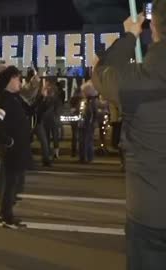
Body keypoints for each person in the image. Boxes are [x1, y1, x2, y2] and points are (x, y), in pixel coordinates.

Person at [92, 3, 166, 268]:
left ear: (153, 28)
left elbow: (100, 72)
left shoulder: (136, 82)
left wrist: (129, 36)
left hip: (150, 210)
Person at [0, 66, 30, 229]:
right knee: (10, 183)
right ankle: (6, 216)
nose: (19, 81)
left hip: (18, 148)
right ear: (9, 81)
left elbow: (31, 111)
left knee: (12, 183)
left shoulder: (14, 98)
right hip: (12, 150)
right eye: (16, 78)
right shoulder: (4, 99)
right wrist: (7, 141)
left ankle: (5, 213)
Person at [78, 81, 98, 164]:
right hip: (84, 123)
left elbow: (93, 113)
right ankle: (85, 157)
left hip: (88, 124)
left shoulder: (92, 102)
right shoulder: (86, 101)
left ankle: (87, 157)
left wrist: (92, 122)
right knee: (84, 141)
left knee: (87, 141)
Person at [69, 88, 83, 157]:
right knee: (80, 136)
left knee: (74, 135)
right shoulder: (82, 99)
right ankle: (79, 151)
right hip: (80, 119)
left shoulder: (72, 99)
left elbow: (71, 109)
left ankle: (73, 151)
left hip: (74, 119)